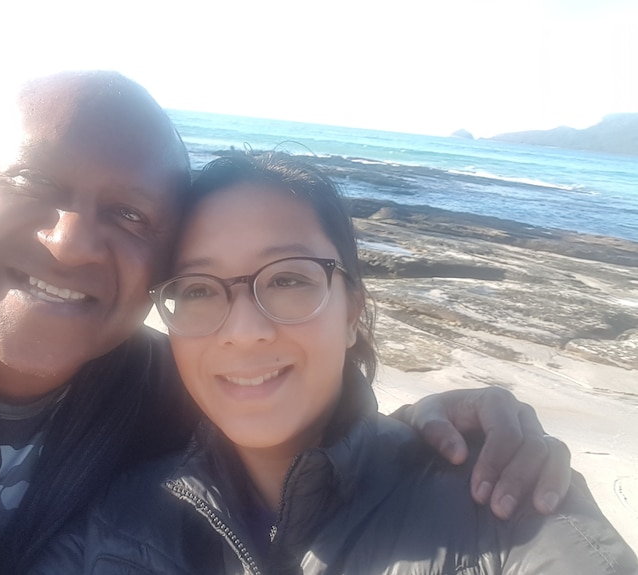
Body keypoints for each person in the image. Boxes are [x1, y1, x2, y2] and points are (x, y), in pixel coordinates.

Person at [0, 72, 571, 575]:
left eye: (127, 212)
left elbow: (314, 449)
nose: (70, 239)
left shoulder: (169, 390)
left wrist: (430, 427)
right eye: (28, 180)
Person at [33, 152, 637, 574]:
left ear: (353, 311)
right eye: (196, 289)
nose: (243, 331)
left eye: (290, 279)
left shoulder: (501, 501)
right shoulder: (119, 522)